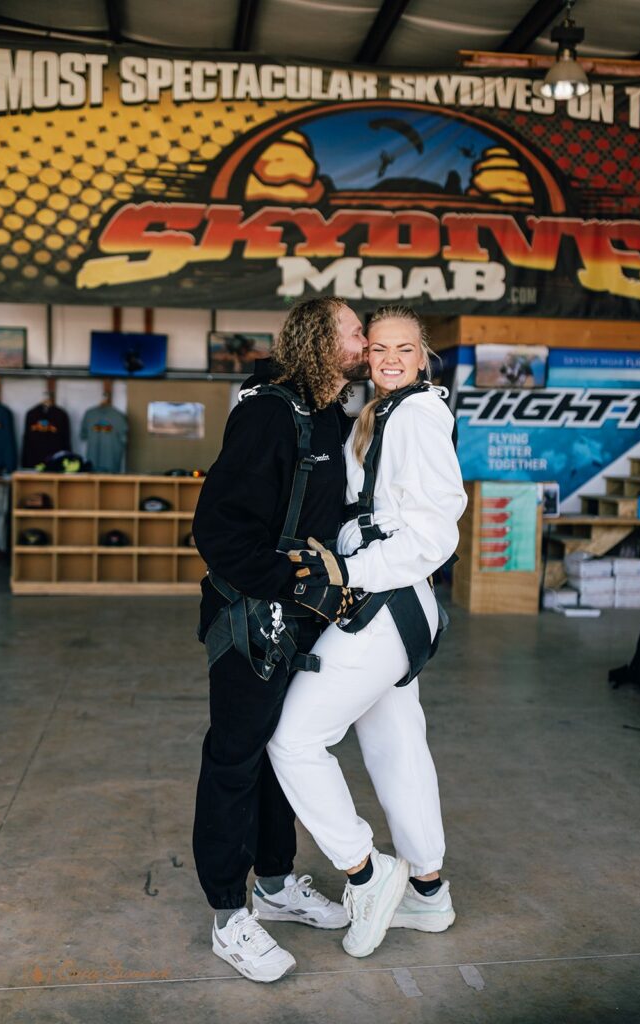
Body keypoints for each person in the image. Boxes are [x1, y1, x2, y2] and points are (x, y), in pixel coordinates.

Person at [268, 305, 467, 960]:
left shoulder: (417, 414)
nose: (387, 358)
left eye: (402, 349)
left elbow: (437, 531)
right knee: (394, 742)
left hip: (387, 599)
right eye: (377, 346)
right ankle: (427, 892)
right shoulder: (376, 412)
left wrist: (348, 572)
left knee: (293, 740)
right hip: (393, 600)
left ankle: (365, 870)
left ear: (422, 355)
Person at [192, 297, 369, 983]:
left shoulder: (328, 415)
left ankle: (272, 884)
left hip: (301, 621)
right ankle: (226, 916)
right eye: (355, 332)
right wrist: (288, 584)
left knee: (277, 753)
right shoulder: (269, 412)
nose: (363, 341)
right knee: (234, 758)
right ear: (320, 342)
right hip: (251, 622)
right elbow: (218, 529)